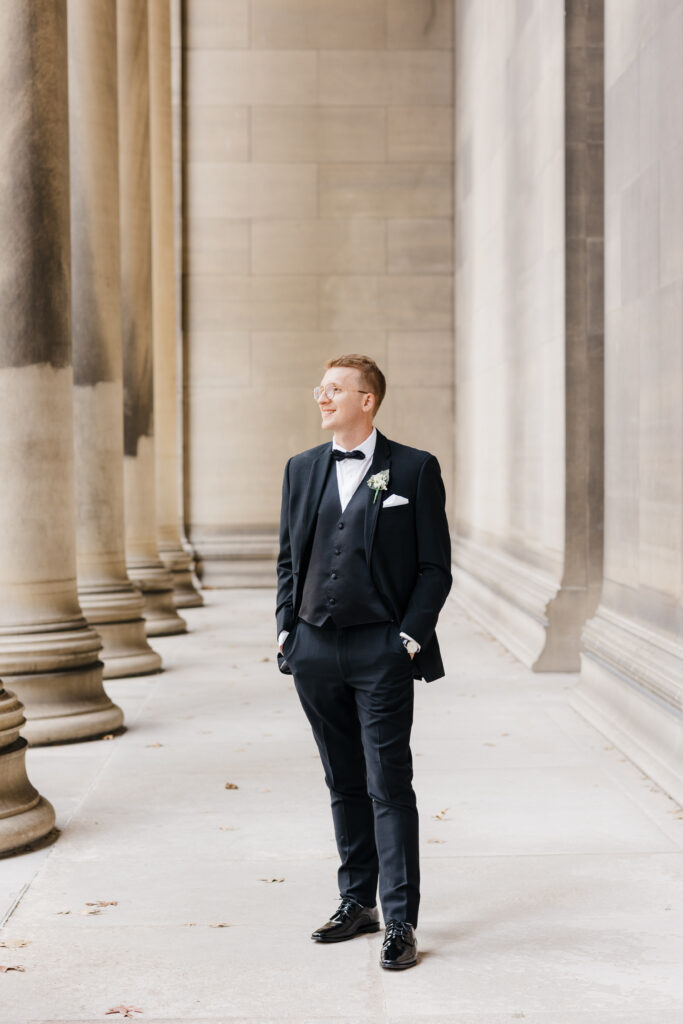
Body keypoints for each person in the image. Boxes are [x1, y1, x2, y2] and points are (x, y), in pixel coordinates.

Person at [276, 354, 451, 970]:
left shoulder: (414, 468)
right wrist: (285, 633)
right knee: (341, 778)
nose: (321, 397)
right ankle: (357, 902)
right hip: (314, 647)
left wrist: (407, 638)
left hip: (382, 649)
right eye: (320, 388)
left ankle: (399, 919)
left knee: (387, 782)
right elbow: (288, 561)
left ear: (367, 399)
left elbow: (435, 568)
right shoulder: (300, 470)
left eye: (334, 390)